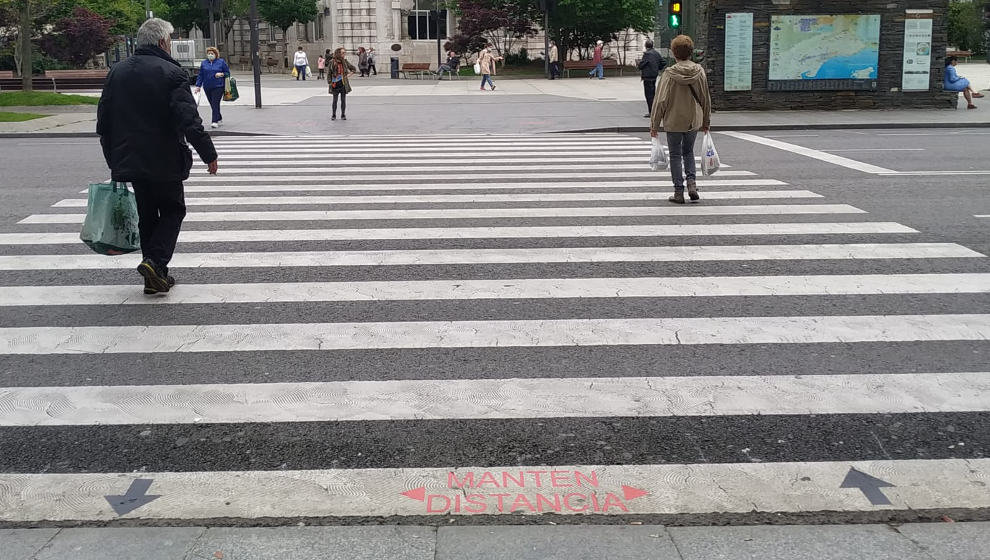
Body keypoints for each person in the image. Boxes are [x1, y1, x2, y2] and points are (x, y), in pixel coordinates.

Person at [96, 18, 218, 295]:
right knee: (174, 210)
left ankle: (155, 276)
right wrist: (208, 153)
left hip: (130, 159)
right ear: (163, 42)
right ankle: (155, 261)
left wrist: (113, 160)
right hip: (165, 158)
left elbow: (103, 122)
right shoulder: (171, 73)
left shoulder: (118, 72)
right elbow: (190, 120)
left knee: (148, 215)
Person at [650, 34, 711, 205]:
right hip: (693, 119)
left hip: (674, 120)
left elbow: (660, 101)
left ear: (674, 52)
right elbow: (705, 98)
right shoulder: (700, 72)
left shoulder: (669, 74)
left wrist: (654, 124)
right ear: (691, 52)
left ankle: (678, 191)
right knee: (689, 151)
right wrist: (706, 121)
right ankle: (692, 183)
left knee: (676, 155)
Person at [194, 46, 230, 129]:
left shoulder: (221, 62)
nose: (210, 55)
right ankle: (219, 117)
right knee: (212, 104)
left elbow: (227, 73)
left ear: (216, 54)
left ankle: (214, 121)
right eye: (209, 53)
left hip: (218, 86)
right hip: (207, 86)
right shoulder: (204, 63)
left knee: (215, 103)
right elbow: (201, 75)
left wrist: (221, 74)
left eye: (212, 53)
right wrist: (198, 86)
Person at [637, 40, 665, 118]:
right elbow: (663, 62)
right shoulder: (656, 53)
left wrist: (639, 65)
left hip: (647, 76)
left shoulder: (647, 54)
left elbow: (642, 64)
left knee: (649, 95)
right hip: (654, 76)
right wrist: (657, 68)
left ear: (646, 46)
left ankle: (651, 112)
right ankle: (654, 111)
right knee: (653, 94)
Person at [327, 47, 357, 120]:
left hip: (343, 84)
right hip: (335, 84)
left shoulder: (345, 61)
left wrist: (348, 75)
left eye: (344, 53)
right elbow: (329, 73)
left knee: (343, 100)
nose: (344, 54)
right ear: (338, 53)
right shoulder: (332, 62)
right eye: (343, 53)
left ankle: (343, 114)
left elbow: (353, 68)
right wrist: (330, 82)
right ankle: (333, 115)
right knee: (335, 100)